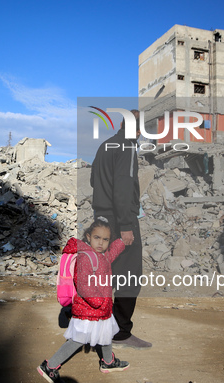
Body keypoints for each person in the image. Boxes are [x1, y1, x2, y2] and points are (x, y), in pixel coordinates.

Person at [38, 218, 128, 383]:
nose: (101, 242)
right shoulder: (85, 257)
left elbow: (112, 253)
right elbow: (84, 285)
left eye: (105, 239)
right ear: (88, 236)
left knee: (106, 333)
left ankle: (108, 362)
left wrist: (122, 242)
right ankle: (49, 366)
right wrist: (99, 301)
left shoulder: (101, 256)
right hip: (89, 309)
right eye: (97, 237)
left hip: (101, 309)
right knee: (77, 340)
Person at [90, 109, 152, 349]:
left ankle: (97, 325)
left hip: (101, 220)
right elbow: (124, 189)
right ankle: (120, 333)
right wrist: (126, 225)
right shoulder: (126, 148)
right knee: (129, 277)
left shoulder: (105, 146)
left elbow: (95, 181)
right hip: (119, 222)